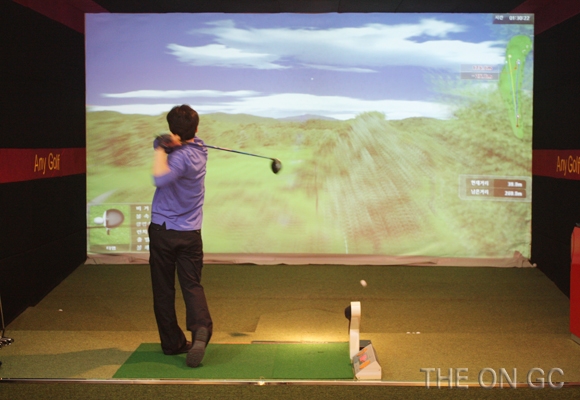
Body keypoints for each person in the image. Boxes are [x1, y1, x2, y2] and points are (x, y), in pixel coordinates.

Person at [148, 104, 212, 368]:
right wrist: (172, 143)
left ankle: (172, 343)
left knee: (164, 289)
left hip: (163, 231)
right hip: (190, 233)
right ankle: (200, 328)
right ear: (196, 129)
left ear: (172, 129)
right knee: (192, 285)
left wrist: (160, 148)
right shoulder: (201, 149)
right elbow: (187, 142)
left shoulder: (179, 158)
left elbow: (159, 178)